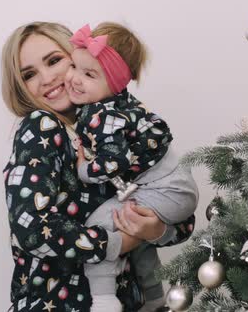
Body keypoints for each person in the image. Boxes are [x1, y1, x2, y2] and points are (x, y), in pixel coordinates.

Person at [1, 22, 195, 312]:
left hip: (126, 300)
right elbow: (32, 229)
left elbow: (172, 205)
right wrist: (118, 243)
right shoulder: (40, 127)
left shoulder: (109, 122)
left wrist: (155, 230)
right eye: (29, 75)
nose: (47, 78)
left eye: (54, 61)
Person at [65, 22, 198, 312]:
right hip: (175, 185)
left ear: (114, 83)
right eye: (74, 66)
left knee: (98, 224)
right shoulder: (119, 106)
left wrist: (83, 169)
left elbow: (115, 162)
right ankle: (154, 298)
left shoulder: (105, 115)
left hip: (168, 189)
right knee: (137, 237)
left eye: (89, 74)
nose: (74, 79)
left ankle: (103, 300)